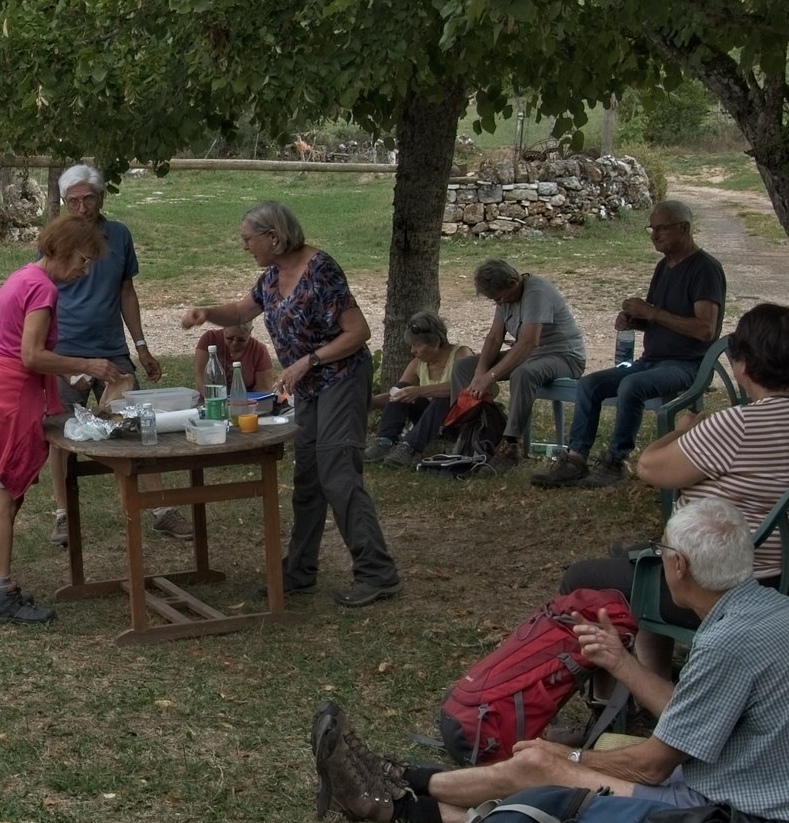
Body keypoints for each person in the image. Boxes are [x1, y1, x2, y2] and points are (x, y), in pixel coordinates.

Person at [316, 496, 789, 823]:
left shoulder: (729, 642)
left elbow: (652, 764)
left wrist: (564, 762)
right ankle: (395, 792)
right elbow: (694, 719)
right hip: (772, 804)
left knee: (540, 767)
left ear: (679, 569)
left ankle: (397, 782)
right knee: (541, 770)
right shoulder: (778, 614)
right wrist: (621, 665)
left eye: (664, 551)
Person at [557, 301, 789, 622]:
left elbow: (650, 468)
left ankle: (619, 665)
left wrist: (682, 431)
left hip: (725, 589)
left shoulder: (737, 425)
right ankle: (653, 658)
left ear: (742, 365)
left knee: (579, 578)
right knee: (644, 555)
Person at [179, 201, 402, 607]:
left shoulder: (321, 270)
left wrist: (308, 361)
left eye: (248, 239)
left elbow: (359, 332)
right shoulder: (271, 277)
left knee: (338, 474)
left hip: (342, 378)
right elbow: (241, 310)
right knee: (309, 479)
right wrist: (205, 312)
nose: (245, 246)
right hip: (312, 387)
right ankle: (300, 572)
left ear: (274, 237)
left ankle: (377, 573)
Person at [0, 213, 123, 624]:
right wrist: (90, 366)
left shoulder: (22, 277)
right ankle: (3, 595)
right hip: (10, 398)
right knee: (3, 495)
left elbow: (10, 343)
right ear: (61, 251)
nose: (84, 270)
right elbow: (30, 355)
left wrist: (71, 371)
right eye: (83, 260)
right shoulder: (43, 290)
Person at [532, 199, 726, 487]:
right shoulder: (664, 267)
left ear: (684, 228)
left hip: (687, 364)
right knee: (589, 384)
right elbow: (660, 319)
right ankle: (575, 459)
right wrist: (635, 321)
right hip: (652, 361)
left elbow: (705, 330)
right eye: (652, 228)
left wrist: (651, 312)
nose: (654, 235)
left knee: (631, 386)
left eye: (662, 228)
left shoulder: (705, 269)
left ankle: (615, 461)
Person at [43, 165, 175, 543]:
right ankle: (63, 513)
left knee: (134, 424)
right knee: (61, 430)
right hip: (65, 351)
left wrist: (142, 346)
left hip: (110, 349)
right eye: (73, 201)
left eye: (89, 198)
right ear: (65, 202)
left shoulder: (118, 235)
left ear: (102, 198)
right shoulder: (56, 240)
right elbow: (42, 294)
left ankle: (159, 506)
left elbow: (126, 292)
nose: (82, 207)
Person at [464, 258, 586, 470]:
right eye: (495, 301)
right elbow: (494, 338)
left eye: (500, 298)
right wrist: (480, 371)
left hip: (563, 356)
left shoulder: (536, 291)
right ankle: (471, 434)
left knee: (523, 373)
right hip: (531, 354)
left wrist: (490, 377)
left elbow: (529, 342)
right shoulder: (504, 297)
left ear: (513, 282)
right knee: (463, 367)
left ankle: (510, 444)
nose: (500, 304)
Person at [366, 311, 486, 466]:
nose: (413, 351)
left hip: (458, 422)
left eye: (417, 346)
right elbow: (397, 396)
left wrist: (420, 391)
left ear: (435, 343)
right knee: (401, 387)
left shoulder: (461, 354)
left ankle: (409, 447)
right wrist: (371, 402)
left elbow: (465, 390)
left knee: (442, 398)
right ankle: (384, 441)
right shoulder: (418, 363)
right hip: (432, 422)